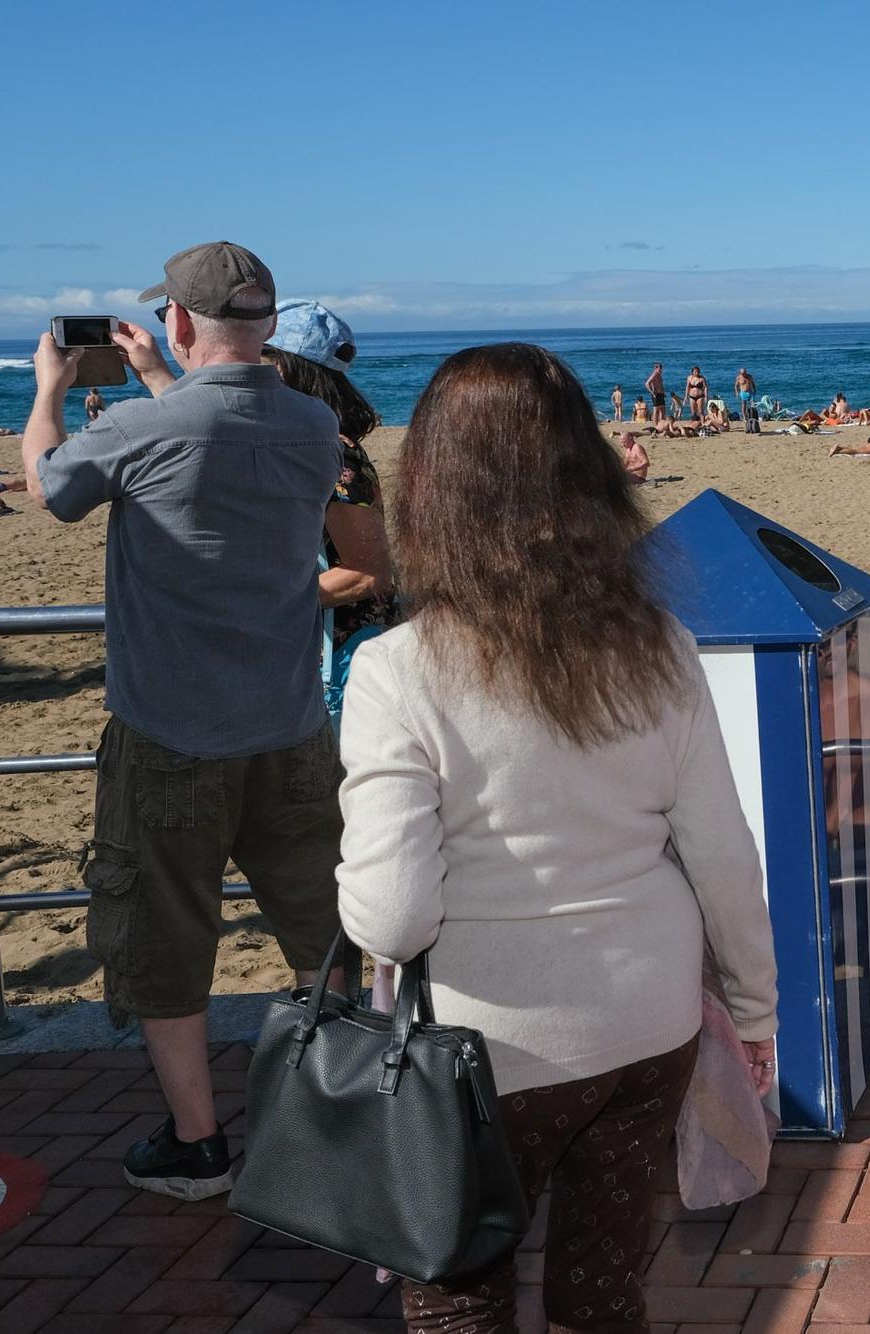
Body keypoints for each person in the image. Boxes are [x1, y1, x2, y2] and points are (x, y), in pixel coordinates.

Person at [335, 342, 777, 1334]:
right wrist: (754, 1007)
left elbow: (394, 918)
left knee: (460, 1300)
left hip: (482, 1051)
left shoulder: (397, 669)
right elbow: (721, 850)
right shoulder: (655, 642)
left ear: (431, 486)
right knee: (600, 1290)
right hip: (646, 1022)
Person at [23, 241, 347, 1200]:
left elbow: (53, 490)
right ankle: (343, 1111)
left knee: (164, 937)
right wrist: (165, 379)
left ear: (177, 318)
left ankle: (200, 1143)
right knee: (322, 926)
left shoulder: (133, 428)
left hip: (169, 731)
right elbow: (222, 430)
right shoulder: (313, 425)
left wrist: (47, 390)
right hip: (288, 723)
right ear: (267, 320)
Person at [262, 300, 400, 732]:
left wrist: (258, 598)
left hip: (342, 661)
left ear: (288, 369)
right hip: (315, 656)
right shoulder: (303, 445)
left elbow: (367, 573)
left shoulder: (333, 453)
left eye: (261, 361)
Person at [734, 367, 758, 433]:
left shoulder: (749, 376)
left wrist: (755, 389)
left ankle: (752, 416)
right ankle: (744, 417)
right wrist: (737, 393)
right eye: (742, 373)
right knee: (743, 405)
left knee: (753, 404)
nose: (744, 374)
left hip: (750, 392)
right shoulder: (738, 378)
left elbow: (753, 383)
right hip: (743, 392)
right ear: (740, 373)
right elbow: (736, 385)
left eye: (744, 373)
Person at [645, 361, 667, 426]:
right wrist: (652, 392)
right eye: (659, 367)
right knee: (656, 410)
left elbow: (661, 385)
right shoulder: (654, 374)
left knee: (663, 409)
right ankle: (656, 425)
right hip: (656, 394)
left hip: (661, 394)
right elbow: (647, 383)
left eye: (661, 367)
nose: (661, 369)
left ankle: (661, 424)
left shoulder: (659, 375)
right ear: (655, 368)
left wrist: (664, 393)